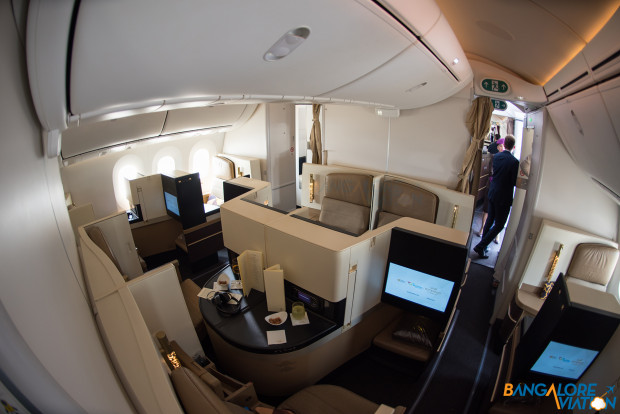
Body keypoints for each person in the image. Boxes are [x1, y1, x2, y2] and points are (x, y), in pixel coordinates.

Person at [473, 135, 519, 259]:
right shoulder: (514, 162)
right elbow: (514, 182)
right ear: (514, 147)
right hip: (503, 196)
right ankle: (481, 246)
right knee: (500, 224)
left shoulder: (497, 156)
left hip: (493, 191)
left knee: (490, 219)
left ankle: (483, 246)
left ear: (505, 145)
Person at [477, 138, 504, 241]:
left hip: (500, 189)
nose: (502, 148)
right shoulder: (494, 157)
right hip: (492, 186)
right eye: (500, 146)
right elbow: (491, 171)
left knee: (498, 212)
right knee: (486, 209)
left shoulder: (510, 160)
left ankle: (496, 233)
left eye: (503, 146)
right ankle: (482, 228)